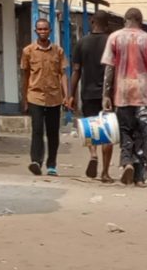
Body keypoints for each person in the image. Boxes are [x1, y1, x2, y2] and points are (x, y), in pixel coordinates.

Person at [103, 7, 147, 183]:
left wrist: (106, 94)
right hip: (143, 93)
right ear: (141, 21)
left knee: (125, 131)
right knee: (142, 135)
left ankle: (127, 161)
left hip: (122, 92)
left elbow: (109, 68)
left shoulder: (114, 38)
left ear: (125, 20)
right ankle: (140, 177)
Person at [21, 18, 69, 175]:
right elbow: (25, 75)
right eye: (39, 29)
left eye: (45, 29)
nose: (42, 31)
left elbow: (63, 74)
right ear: (36, 31)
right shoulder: (28, 51)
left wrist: (66, 95)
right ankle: (36, 160)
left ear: (49, 31)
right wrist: (24, 98)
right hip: (35, 96)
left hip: (54, 98)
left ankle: (51, 165)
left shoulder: (58, 51)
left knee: (53, 132)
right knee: (37, 130)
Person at [71, 12, 114, 176]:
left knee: (91, 127)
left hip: (87, 93)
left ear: (92, 21)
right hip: (107, 95)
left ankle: (93, 154)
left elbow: (76, 71)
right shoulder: (111, 42)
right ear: (107, 24)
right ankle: (105, 172)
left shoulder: (82, 43)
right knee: (108, 132)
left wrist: (71, 94)